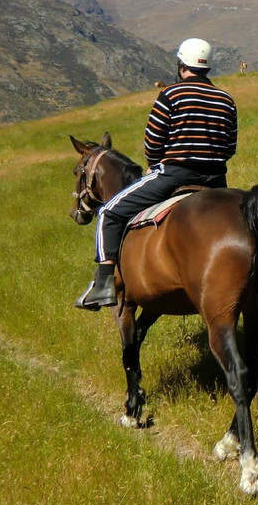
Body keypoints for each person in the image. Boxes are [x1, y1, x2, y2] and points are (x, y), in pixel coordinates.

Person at [75, 38, 239, 310]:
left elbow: (152, 142)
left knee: (109, 212)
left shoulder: (170, 95)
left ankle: (104, 285)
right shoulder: (226, 99)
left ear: (181, 64)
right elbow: (230, 146)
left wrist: (154, 162)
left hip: (173, 176)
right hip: (217, 182)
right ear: (207, 67)